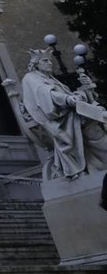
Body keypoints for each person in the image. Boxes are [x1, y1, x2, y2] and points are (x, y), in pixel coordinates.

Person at [20, 47, 107, 180]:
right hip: (58, 120)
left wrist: (84, 90)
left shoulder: (52, 79)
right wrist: (67, 99)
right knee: (93, 125)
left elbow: (69, 95)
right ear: (36, 64)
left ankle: (100, 162)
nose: (50, 63)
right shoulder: (30, 78)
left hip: (68, 114)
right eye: (45, 61)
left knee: (99, 117)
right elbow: (45, 93)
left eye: (50, 61)